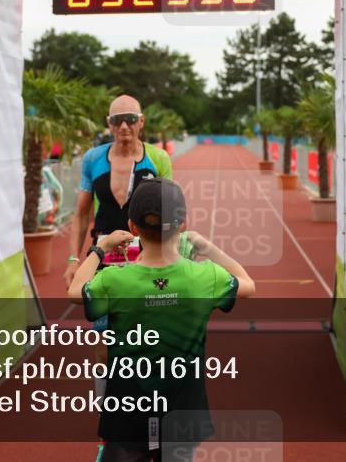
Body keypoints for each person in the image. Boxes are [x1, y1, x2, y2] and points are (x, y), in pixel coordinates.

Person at [68, 178, 255, 462]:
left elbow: (75, 291)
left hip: (128, 414)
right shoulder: (206, 276)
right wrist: (207, 247)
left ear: (132, 227)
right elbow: (248, 284)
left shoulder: (114, 279)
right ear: (183, 224)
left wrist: (100, 248)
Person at [64, 95, 172, 286]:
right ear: (109, 123)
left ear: (141, 121)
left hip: (146, 257)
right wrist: (73, 260)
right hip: (102, 253)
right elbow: (81, 214)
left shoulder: (159, 158)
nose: (123, 126)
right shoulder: (92, 158)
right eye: (117, 120)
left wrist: (167, 255)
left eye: (130, 119)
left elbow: (170, 213)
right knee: (99, 305)